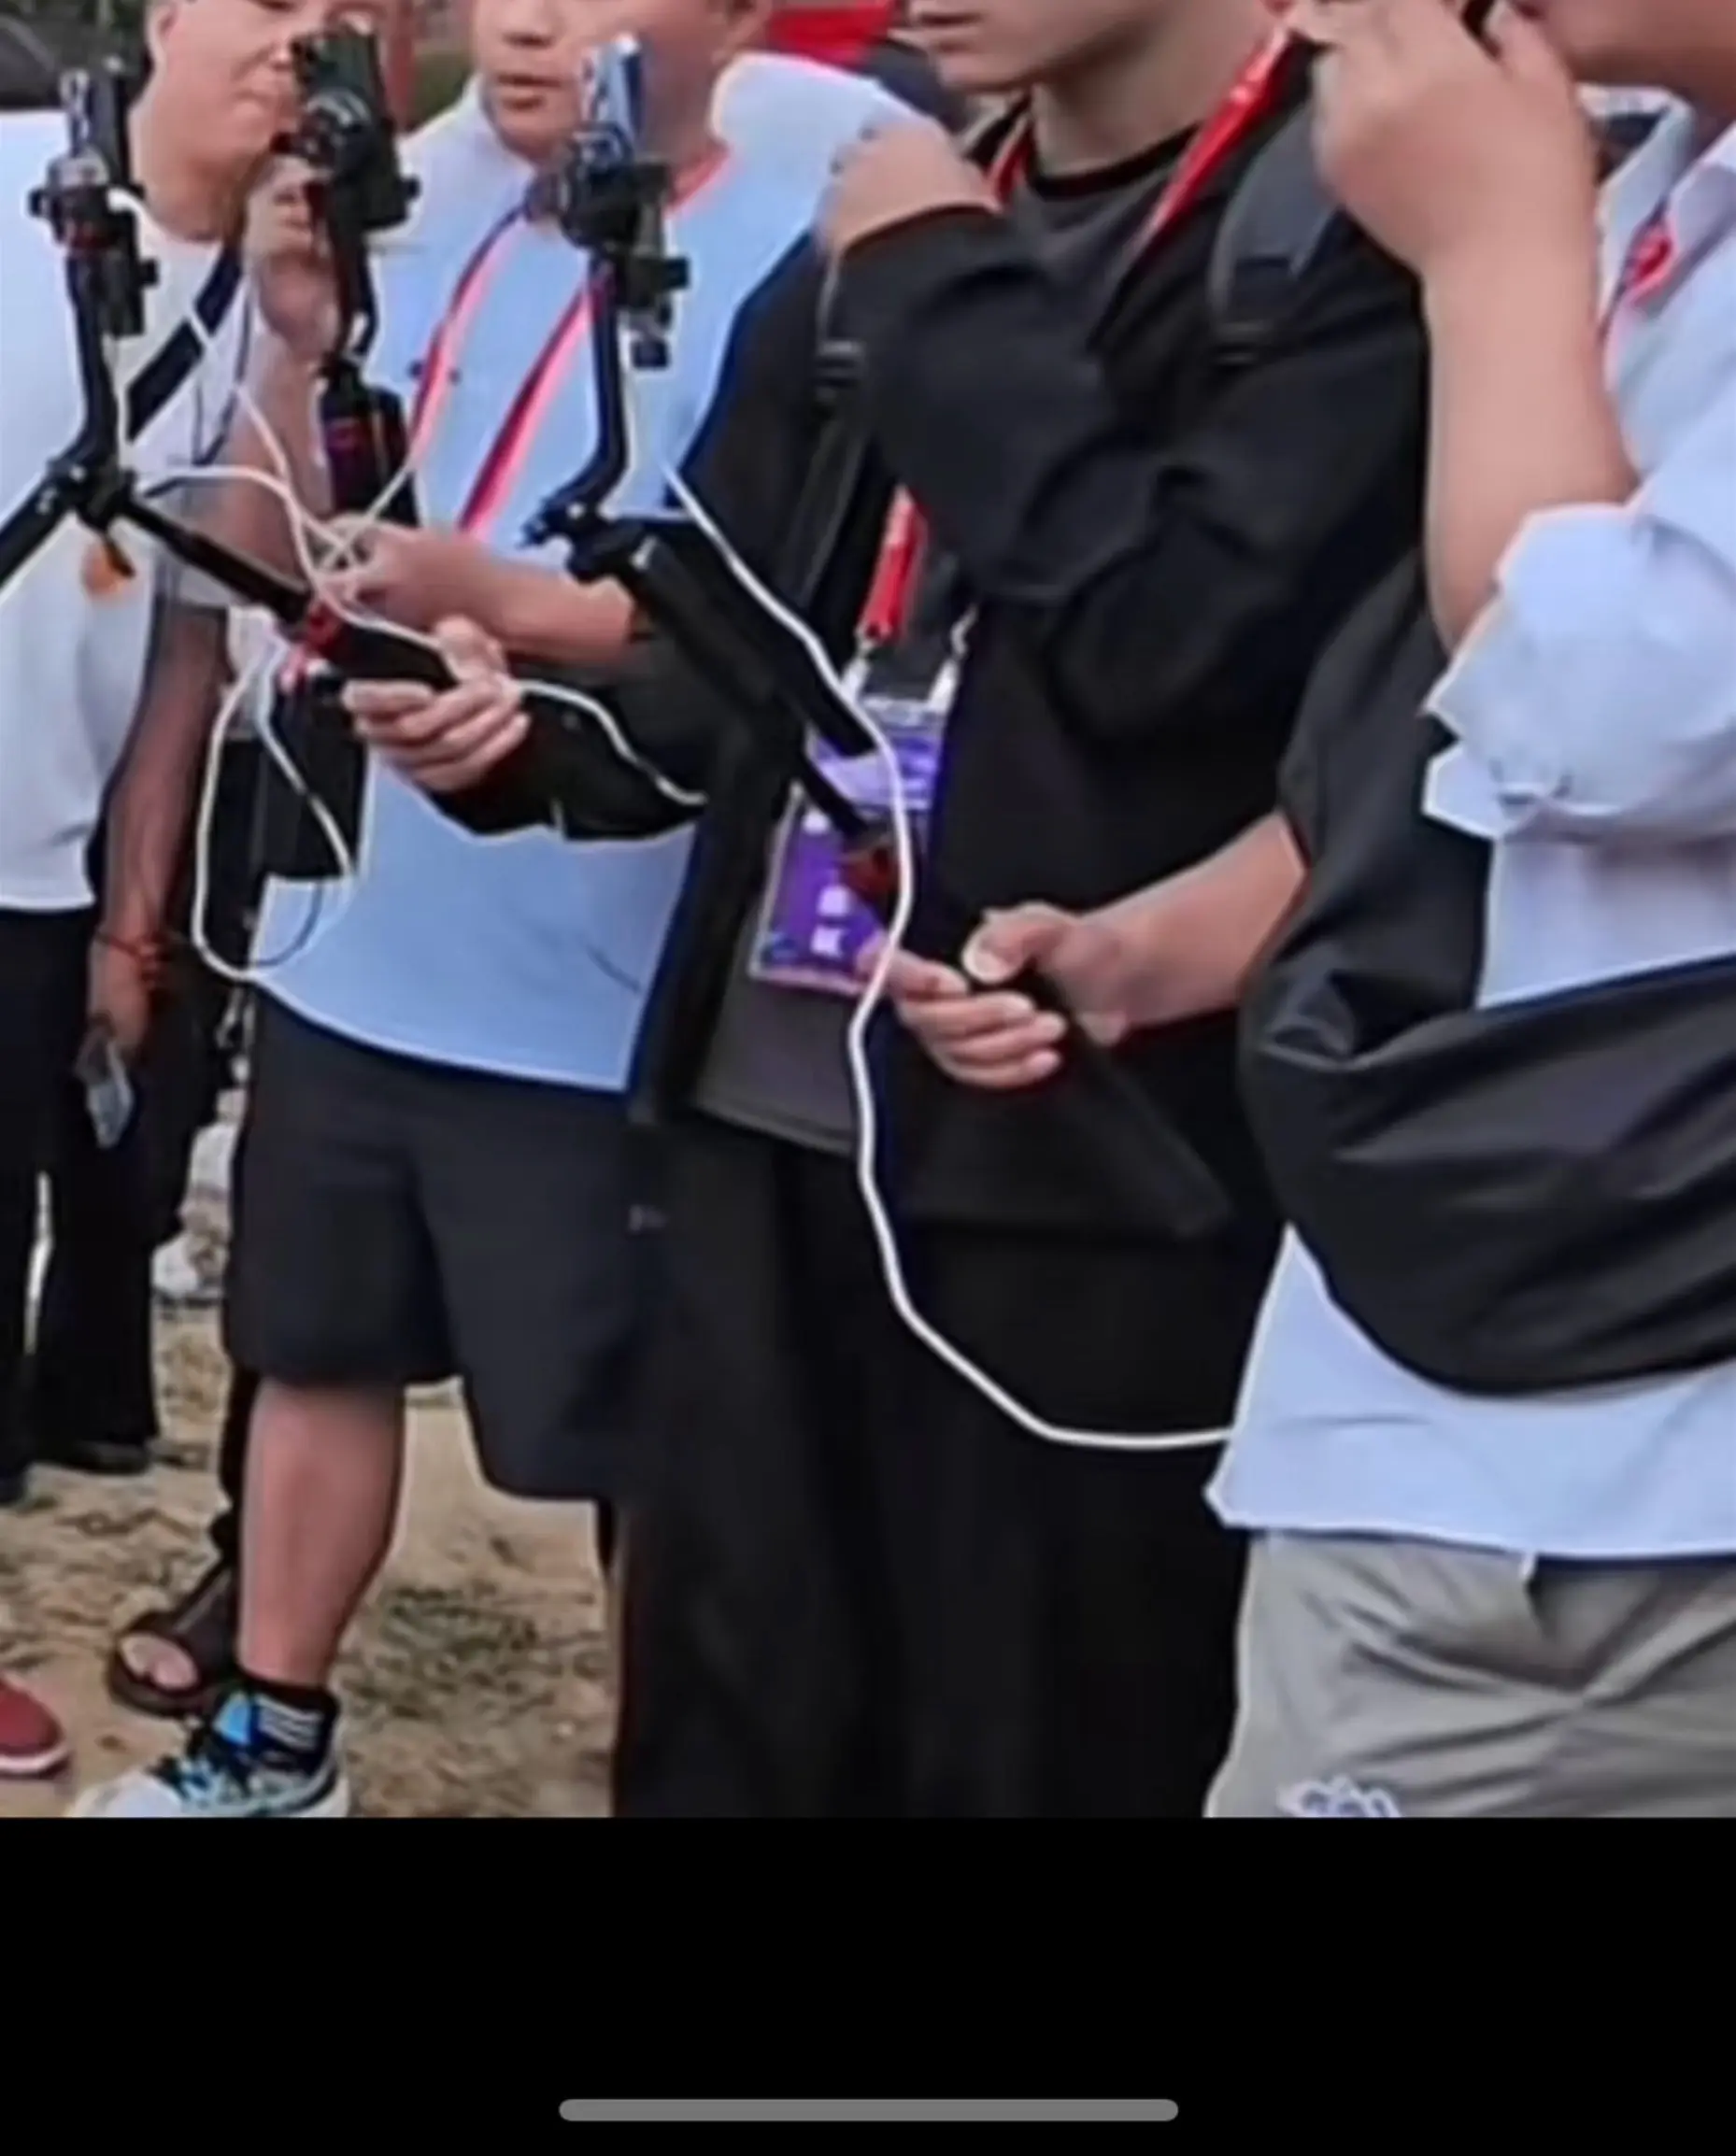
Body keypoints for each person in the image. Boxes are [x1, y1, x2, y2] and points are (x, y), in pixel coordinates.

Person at [348, 0, 1428, 1816]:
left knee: (1034, 1735)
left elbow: (1169, 646)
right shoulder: (912, 206)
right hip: (766, 1124)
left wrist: (939, 284)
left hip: (1088, 1182)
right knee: (725, 1719)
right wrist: (519, 744)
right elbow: (732, 649)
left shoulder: (1354, 221)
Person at [70, 0, 895, 1821]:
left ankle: (675, 1769)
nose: (526, 22)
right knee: (313, 1341)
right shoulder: (417, 192)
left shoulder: (825, 217)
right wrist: (305, 344)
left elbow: (783, 611)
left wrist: (498, 609)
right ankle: (271, 1737)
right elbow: (299, 537)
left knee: (647, 1433)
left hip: (603, 972)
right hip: (363, 925)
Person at [940, 0, 1736, 1819]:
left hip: (1610, 1458)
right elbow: (1450, 725)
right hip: (1499, 1394)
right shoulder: (1657, 193)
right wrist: (1167, 942)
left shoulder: (1532, 215)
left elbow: (1599, 706)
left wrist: (1488, 257)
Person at [0, 0, 381, 1780]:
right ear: (165, 17)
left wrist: (130, 922)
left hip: (35, 862)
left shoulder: (272, 298)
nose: (295, 46)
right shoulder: (16, 183)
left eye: (334, 24)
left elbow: (199, 637)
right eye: (266, 4)